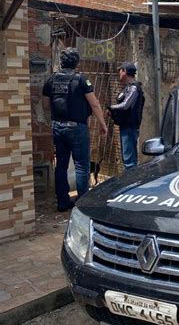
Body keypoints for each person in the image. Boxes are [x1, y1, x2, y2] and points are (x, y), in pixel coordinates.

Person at [42, 48, 107, 212]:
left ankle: (62, 202)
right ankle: (82, 203)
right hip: (77, 128)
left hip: (58, 126)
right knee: (81, 165)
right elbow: (94, 104)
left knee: (61, 165)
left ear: (61, 62)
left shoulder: (51, 80)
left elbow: (44, 105)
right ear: (76, 62)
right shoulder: (81, 80)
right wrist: (102, 124)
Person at [107, 61, 144, 169]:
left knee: (129, 161)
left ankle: (131, 183)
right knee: (127, 159)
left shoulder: (133, 88)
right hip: (126, 127)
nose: (119, 73)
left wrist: (111, 108)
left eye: (120, 70)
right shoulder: (128, 87)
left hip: (129, 128)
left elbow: (126, 105)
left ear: (125, 72)